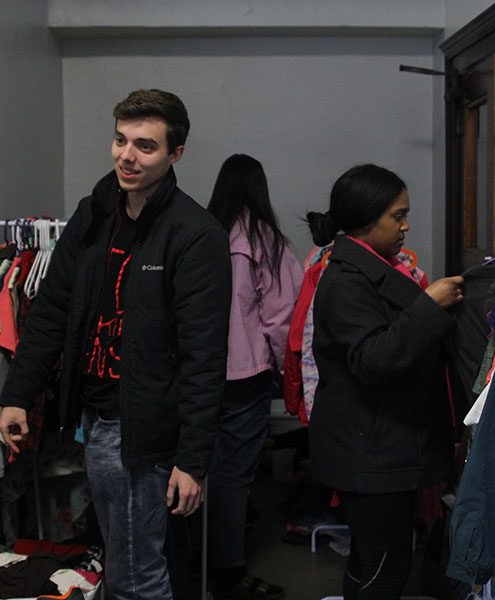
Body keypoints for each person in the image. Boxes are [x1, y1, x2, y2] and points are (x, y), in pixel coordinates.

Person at [0, 89, 232, 599]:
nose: (127, 155)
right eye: (120, 140)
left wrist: (193, 460)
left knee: (135, 577)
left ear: (175, 155)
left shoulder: (194, 234)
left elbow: (205, 356)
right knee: (130, 562)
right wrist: (16, 394)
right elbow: (53, 311)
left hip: (142, 432)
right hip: (94, 419)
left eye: (145, 146)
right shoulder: (94, 213)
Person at [306, 164, 464, 599]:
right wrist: (429, 308)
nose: (406, 226)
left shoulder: (378, 270)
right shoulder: (345, 280)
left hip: (379, 445)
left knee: (374, 562)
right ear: (364, 219)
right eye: (397, 216)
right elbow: (374, 359)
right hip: (370, 450)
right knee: (384, 568)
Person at [204, 154, 303, 600]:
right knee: (234, 474)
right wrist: (292, 377)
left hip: (194, 374)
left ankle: (196, 559)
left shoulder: (198, 233)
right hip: (245, 375)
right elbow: (281, 317)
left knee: (192, 468)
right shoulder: (265, 239)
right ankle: (228, 569)